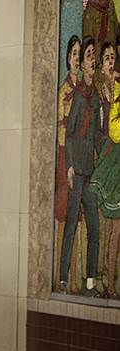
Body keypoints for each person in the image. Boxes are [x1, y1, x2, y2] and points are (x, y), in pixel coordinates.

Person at [61, 36, 102, 297]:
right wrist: (69, 166)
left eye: (91, 56)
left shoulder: (96, 95)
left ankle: (90, 282)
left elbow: (96, 132)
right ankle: (63, 279)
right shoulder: (77, 96)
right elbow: (69, 132)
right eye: (88, 56)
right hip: (77, 167)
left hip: (91, 170)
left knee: (95, 227)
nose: (91, 60)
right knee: (71, 225)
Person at [91, 41, 120, 298]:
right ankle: (103, 276)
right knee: (103, 225)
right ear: (101, 65)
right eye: (107, 58)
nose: (111, 62)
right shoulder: (100, 93)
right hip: (104, 164)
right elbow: (100, 131)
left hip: (116, 164)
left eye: (114, 57)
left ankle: (111, 278)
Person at [56, 36, 81, 289]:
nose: (76, 59)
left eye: (78, 54)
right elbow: (62, 129)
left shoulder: (82, 90)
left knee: (78, 217)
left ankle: (74, 276)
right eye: (73, 54)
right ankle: (63, 276)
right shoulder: (64, 92)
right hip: (65, 154)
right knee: (64, 214)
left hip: (78, 156)